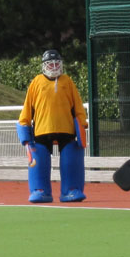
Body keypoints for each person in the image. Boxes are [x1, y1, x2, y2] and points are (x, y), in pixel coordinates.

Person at [17, 50, 88, 203]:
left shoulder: (67, 82)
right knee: (39, 160)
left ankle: (71, 190)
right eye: (51, 63)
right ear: (44, 66)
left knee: (71, 159)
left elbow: (78, 107)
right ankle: (40, 190)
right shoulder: (36, 82)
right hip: (42, 131)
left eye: (57, 63)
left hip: (67, 130)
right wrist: (24, 133)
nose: (54, 66)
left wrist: (82, 125)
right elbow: (27, 110)